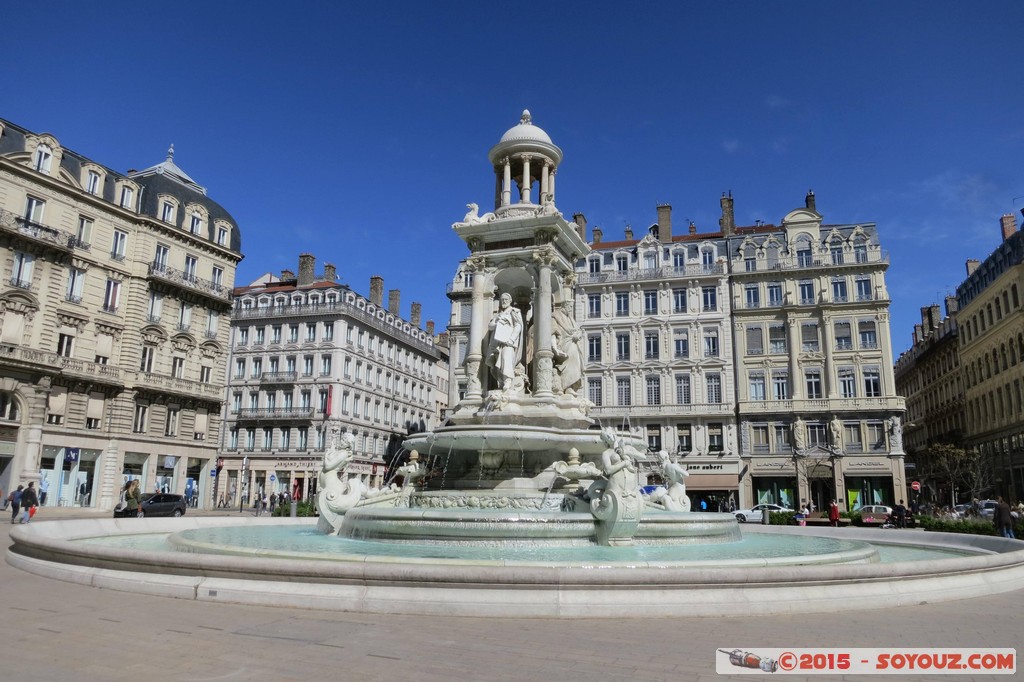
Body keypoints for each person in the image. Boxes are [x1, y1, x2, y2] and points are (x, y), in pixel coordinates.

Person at [486, 292, 524, 392]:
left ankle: (508, 381)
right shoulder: (498, 315)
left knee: (506, 359)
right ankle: (501, 382)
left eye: (506, 299)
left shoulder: (514, 311)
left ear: (510, 301)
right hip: (497, 342)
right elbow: (490, 327)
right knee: (497, 363)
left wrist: (511, 339)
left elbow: (518, 326)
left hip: (508, 342)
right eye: (502, 299)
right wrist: (497, 323)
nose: (504, 301)